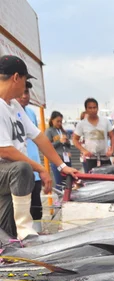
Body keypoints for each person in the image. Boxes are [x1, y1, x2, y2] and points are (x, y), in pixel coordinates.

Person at [0, 55, 77, 239]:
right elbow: (4, 150)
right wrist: (39, 168)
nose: (26, 87)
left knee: (5, 231)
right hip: (9, 170)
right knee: (23, 168)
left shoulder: (15, 106)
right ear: (16, 77)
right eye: (26, 80)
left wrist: (62, 166)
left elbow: (39, 137)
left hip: (8, 175)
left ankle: (12, 244)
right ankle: (25, 229)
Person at [16, 81, 43, 229]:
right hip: (18, 171)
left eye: (27, 92)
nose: (24, 96)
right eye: (22, 92)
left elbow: (39, 139)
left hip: (35, 170)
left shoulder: (31, 113)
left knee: (36, 206)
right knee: (19, 210)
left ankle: (37, 235)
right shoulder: (7, 111)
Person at [72, 98, 114, 172]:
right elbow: (75, 139)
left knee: (108, 180)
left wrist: (111, 150)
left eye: (94, 107)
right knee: (91, 181)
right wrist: (83, 150)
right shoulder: (82, 124)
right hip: (90, 159)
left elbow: (112, 136)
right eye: (90, 108)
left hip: (105, 158)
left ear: (97, 108)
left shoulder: (105, 121)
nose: (92, 110)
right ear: (86, 109)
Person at [45, 111, 72, 192]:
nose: (59, 123)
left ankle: (66, 198)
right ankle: (58, 200)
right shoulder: (49, 131)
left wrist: (67, 142)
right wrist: (59, 141)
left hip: (66, 158)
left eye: (61, 121)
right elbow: (48, 145)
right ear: (52, 120)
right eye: (57, 121)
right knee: (59, 182)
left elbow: (69, 145)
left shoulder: (63, 131)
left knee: (68, 181)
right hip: (57, 160)